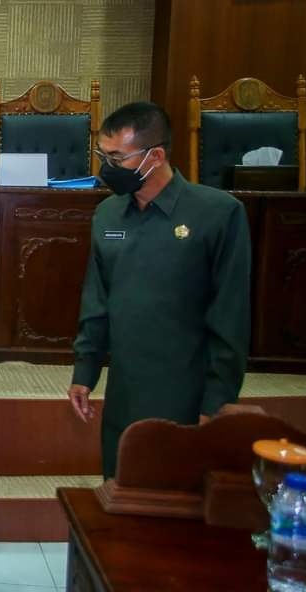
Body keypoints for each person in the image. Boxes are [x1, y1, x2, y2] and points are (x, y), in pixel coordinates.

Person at [68, 102, 250, 480]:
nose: (107, 168)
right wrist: (85, 370)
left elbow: (230, 316)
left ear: (156, 156)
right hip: (124, 386)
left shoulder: (219, 214)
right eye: (103, 156)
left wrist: (217, 402)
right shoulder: (107, 215)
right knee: (119, 485)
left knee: (175, 496)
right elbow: (96, 300)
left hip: (185, 391)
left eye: (117, 158)